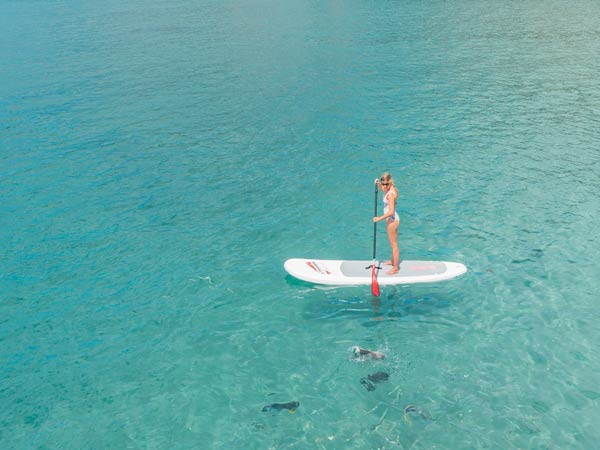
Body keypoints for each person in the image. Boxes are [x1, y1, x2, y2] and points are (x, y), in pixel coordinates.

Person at [374, 172, 400, 274]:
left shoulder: (391, 194)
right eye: (383, 183)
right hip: (391, 219)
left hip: (392, 220)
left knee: (394, 245)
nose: (384, 186)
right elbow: (383, 189)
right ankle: (393, 261)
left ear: (390, 182)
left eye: (386, 184)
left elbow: (391, 211)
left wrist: (379, 218)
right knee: (392, 243)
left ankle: (395, 268)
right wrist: (378, 184)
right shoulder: (388, 188)